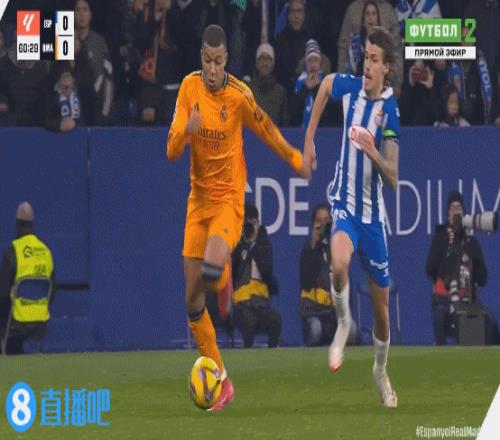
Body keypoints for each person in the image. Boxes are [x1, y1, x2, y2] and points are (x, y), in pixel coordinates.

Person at [166, 24, 311, 412]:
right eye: (207, 61)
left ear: (226, 59)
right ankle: (223, 380)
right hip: (198, 204)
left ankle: (224, 276)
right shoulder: (188, 89)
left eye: (218, 61)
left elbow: (266, 130)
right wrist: (186, 132)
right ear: (201, 58)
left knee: (213, 266)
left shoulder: (239, 95)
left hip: (229, 201)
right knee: (192, 302)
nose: (212, 69)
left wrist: (295, 158)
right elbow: (170, 150)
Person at [303, 26, 399, 407]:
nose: (367, 66)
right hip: (344, 204)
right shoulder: (351, 88)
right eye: (366, 58)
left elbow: (393, 177)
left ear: (387, 68)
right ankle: (344, 323)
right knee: (339, 263)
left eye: (375, 60)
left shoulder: (389, 110)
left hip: (372, 219)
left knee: (382, 313)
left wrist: (373, 151)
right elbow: (325, 85)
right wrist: (309, 139)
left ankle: (380, 372)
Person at [425, 191, 489, 345]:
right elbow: (429, 268)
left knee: (484, 318)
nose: (455, 212)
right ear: (448, 214)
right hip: (444, 298)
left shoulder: (471, 242)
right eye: (452, 208)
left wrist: (473, 262)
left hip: (467, 298)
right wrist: (447, 255)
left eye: (458, 208)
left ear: (464, 213)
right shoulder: (440, 239)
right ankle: (440, 352)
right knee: (440, 313)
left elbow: (483, 279)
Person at [0, 202, 55, 354]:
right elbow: (52, 292)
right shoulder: (45, 251)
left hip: (16, 321)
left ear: (17, 223)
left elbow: (3, 294)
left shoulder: (13, 250)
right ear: (32, 223)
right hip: (41, 322)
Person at [231, 204, 281, 348]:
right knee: (248, 321)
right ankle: (248, 357)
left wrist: (254, 244)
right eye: (248, 224)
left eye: (254, 223)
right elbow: (232, 274)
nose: (251, 227)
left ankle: (272, 355)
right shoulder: (237, 244)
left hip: (261, 304)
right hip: (241, 305)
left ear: (258, 223)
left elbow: (267, 271)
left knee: (275, 320)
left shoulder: (264, 245)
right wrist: (242, 244)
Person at [299, 203, 337, 347]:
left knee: (351, 329)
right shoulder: (307, 250)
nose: (323, 225)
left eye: (326, 220)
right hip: (313, 313)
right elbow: (306, 283)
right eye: (319, 221)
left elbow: (345, 284)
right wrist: (314, 245)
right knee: (315, 329)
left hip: (333, 314)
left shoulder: (336, 248)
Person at [249, 43, 289, 127]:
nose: (264, 63)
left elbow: (284, 123)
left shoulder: (280, 92)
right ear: (257, 63)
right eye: (261, 59)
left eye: (268, 59)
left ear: (272, 64)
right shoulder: (248, 89)